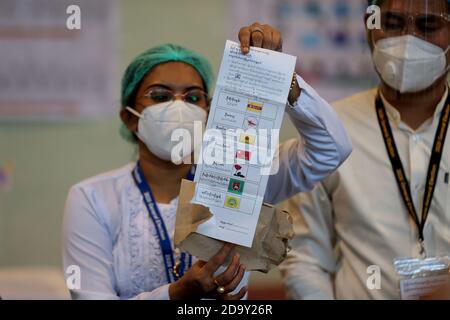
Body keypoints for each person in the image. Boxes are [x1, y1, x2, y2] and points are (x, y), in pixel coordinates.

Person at [62, 38, 352, 299]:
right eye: (160, 96)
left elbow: (331, 149)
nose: (178, 107)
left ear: (208, 111)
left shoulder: (243, 175)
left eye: (192, 97)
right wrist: (176, 294)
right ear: (129, 117)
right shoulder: (92, 198)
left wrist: (283, 78)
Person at [257, 0, 449, 299]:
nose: (409, 39)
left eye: (428, 26)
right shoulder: (330, 132)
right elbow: (306, 259)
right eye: (394, 24)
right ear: (369, 28)